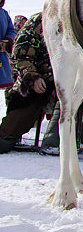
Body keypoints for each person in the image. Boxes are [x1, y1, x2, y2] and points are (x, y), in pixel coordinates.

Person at [0, 12, 52, 154]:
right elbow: (21, 55)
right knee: (4, 142)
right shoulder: (40, 21)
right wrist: (32, 76)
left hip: (65, 85)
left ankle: (56, 141)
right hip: (35, 81)